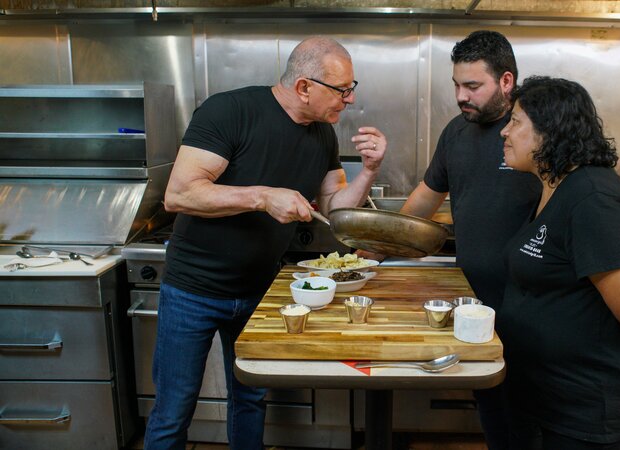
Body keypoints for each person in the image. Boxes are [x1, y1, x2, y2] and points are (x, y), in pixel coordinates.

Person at [143, 37, 386, 450]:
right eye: (342, 89)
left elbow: (335, 209)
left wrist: (369, 171)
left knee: (250, 397)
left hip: (259, 290)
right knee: (174, 409)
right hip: (193, 292)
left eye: (352, 87)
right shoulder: (230, 111)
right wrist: (261, 196)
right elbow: (179, 195)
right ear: (304, 87)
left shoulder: (323, 135)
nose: (350, 98)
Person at [360, 30, 540, 450]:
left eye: (473, 86)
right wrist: (377, 244)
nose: (461, 96)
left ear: (507, 82)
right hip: (475, 303)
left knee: (529, 416)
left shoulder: (531, 133)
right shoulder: (457, 133)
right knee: (492, 406)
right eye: (457, 85)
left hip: (530, 304)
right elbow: (423, 200)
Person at [497, 75, 620, 450]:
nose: (505, 132)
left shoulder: (593, 198)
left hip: (592, 410)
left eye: (515, 121)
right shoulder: (556, 188)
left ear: (549, 131)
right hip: (550, 399)